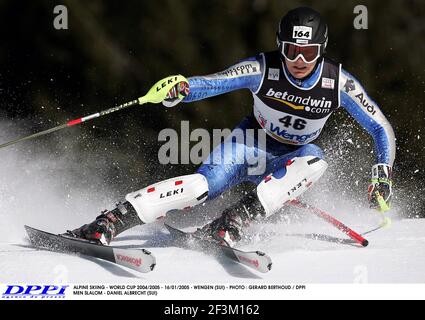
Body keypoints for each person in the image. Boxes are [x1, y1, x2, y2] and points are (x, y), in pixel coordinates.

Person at [65, 7, 395, 247]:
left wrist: (382, 171)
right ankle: (110, 220)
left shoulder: (339, 84)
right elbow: (217, 82)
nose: (299, 60)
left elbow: (381, 127)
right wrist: (183, 89)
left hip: (293, 156)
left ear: (320, 51)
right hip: (250, 143)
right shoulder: (264, 68)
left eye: (308, 53)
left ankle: (230, 223)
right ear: (281, 46)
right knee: (201, 188)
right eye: (292, 50)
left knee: (315, 161)